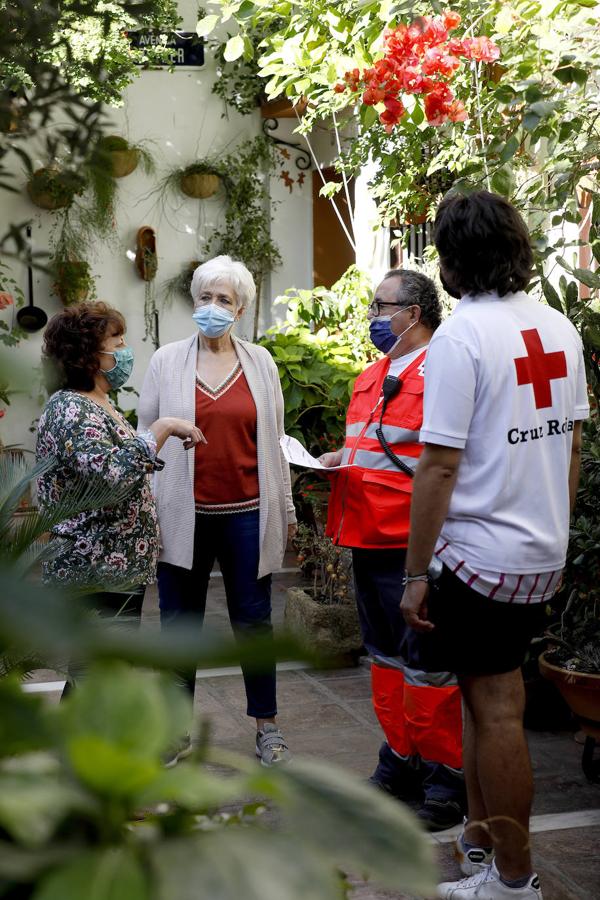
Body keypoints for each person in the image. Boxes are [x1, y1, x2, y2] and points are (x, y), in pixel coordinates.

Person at [401, 192, 589, 900]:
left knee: (499, 710)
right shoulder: (558, 328)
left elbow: (440, 466)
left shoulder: (461, 337)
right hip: (536, 554)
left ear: (451, 258)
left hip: (480, 560)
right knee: (485, 704)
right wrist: (556, 536)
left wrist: (416, 570)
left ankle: (514, 881)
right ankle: (480, 843)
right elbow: (571, 445)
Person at [319, 269, 465, 830]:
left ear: (416, 312)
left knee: (427, 667)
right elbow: (373, 446)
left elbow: (442, 463)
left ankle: (446, 781)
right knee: (384, 660)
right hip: (365, 537)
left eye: (384, 307)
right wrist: (336, 458)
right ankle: (401, 760)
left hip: (413, 545)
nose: (375, 317)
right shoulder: (370, 376)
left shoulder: (444, 373)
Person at [138, 255, 297, 767]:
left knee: (254, 622)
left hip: (248, 512)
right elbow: (146, 438)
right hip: (183, 514)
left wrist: (288, 508)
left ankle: (266, 727)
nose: (212, 308)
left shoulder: (261, 363)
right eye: (204, 298)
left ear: (241, 308)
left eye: (223, 300)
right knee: (178, 624)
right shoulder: (166, 361)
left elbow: (274, 440)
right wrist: (148, 511)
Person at [36, 301, 202, 689]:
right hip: (93, 568)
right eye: (117, 340)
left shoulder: (99, 403)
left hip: (116, 568)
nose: (125, 349)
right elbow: (110, 474)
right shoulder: (70, 409)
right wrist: (161, 428)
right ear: (89, 352)